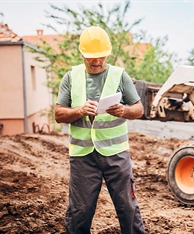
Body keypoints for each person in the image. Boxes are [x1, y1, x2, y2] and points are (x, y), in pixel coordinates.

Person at [55, 26, 145, 234]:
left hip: (116, 155)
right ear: (82, 54)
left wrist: (123, 110)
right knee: (79, 211)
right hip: (83, 157)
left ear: (108, 53)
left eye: (101, 57)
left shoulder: (120, 76)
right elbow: (59, 114)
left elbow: (139, 109)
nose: (96, 62)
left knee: (127, 207)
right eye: (91, 58)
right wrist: (79, 110)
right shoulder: (71, 77)